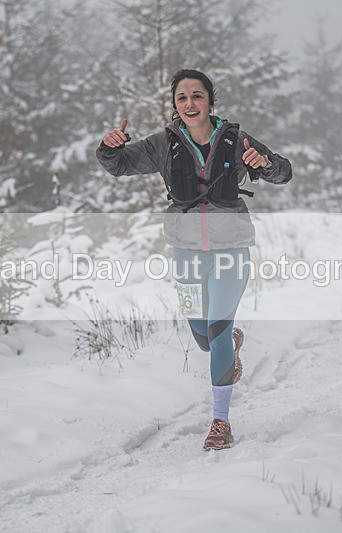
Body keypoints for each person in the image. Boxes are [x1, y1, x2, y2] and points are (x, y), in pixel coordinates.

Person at [97, 69, 292, 451]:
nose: (189, 104)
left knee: (216, 332)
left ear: (210, 101)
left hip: (231, 251)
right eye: (182, 97)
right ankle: (230, 344)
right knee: (203, 338)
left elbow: (283, 172)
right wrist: (109, 147)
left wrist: (265, 163)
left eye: (197, 96)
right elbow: (118, 165)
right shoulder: (163, 144)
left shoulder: (236, 140)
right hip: (185, 253)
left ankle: (221, 421)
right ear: (175, 104)